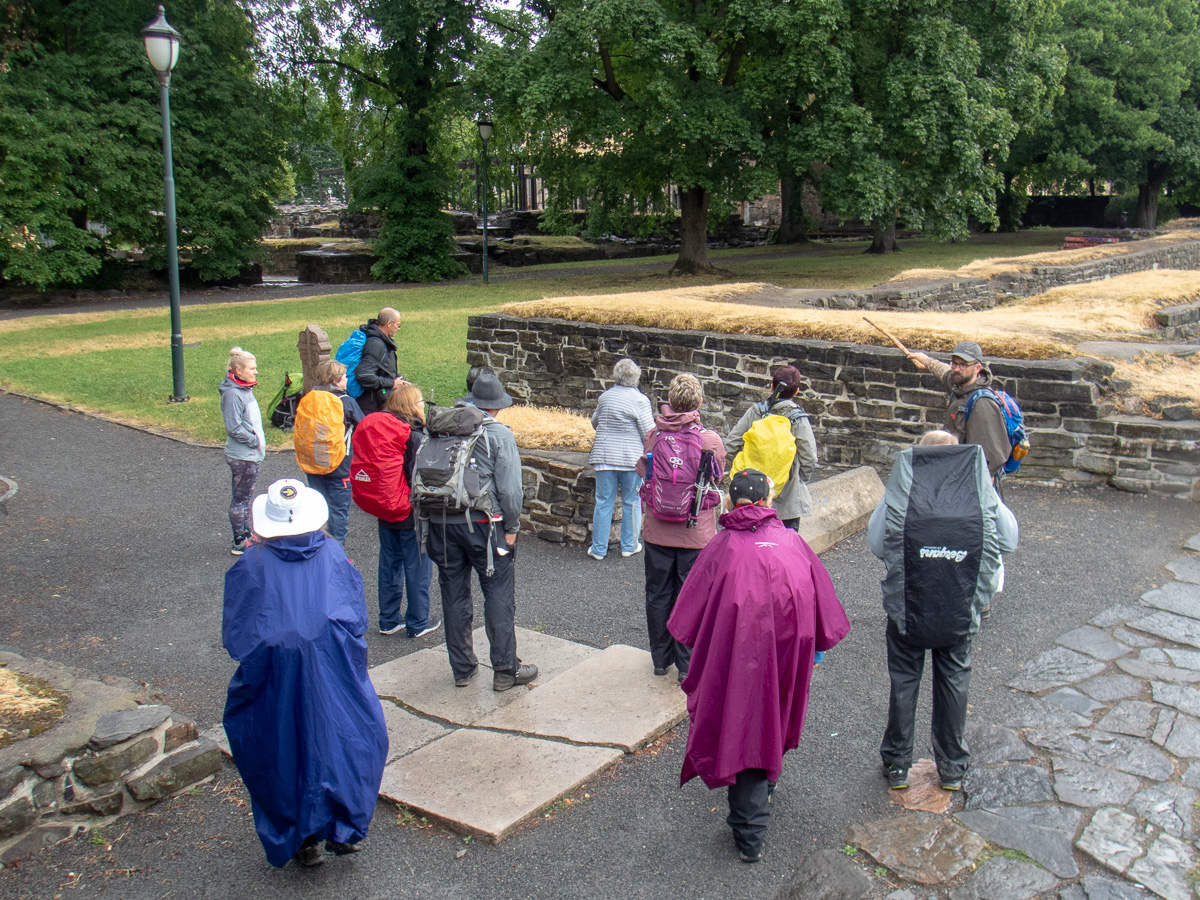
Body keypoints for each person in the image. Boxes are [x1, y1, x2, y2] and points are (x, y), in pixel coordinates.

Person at [668, 469, 850, 863]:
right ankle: (761, 793)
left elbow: (686, 621)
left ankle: (750, 830)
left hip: (737, 657)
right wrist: (815, 651)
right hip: (788, 654)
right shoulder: (793, 542)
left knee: (743, 724)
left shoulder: (722, 546)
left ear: (733, 503)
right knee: (770, 718)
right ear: (768, 502)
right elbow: (822, 605)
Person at [222, 479, 388, 869]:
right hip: (333, 668)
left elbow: (236, 632)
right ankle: (342, 825)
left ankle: (302, 838)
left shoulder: (251, 563)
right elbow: (355, 614)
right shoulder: (331, 552)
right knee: (344, 741)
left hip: (272, 673)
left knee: (280, 749)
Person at [868, 432, 1019, 793]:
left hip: (910, 602)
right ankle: (951, 768)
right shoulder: (977, 490)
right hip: (960, 602)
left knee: (904, 681)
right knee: (954, 681)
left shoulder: (903, 490)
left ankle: (898, 764)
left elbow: (877, 543)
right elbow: (1009, 541)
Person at [424, 373, 537, 692]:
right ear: (497, 406)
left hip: (441, 522)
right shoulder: (498, 434)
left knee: (453, 594)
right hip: (485, 528)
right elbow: (512, 492)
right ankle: (505, 670)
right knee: (498, 594)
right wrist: (512, 528)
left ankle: (462, 668)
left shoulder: (442, 425)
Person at [636, 373, 726, 682]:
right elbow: (717, 477)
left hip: (657, 530)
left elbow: (643, 471)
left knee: (657, 593)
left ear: (670, 402)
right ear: (699, 402)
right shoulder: (710, 440)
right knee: (691, 598)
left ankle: (661, 660)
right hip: (695, 533)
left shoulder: (654, 435)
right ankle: (687, 665)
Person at [377, 383, 439, 638]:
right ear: (411, 406)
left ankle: (388, 620)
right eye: (421, 401)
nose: (424, 405)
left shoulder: (383, 430)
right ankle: (418, 621)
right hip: (410, 512)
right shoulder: (413, 435)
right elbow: (420, 477)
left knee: (389, 565)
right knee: (417, 567)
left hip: (385, 508)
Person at [725, 365, 819, 531]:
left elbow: (731, 444)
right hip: (785, 500)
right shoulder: (798, 419)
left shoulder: (756, 412)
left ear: (772, 386)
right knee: (784, 550)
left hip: (751, 498)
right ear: (796, 391)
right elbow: (809, 457)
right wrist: (797, 480)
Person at [905, 341, 1010, 488]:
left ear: (977, 368)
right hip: (954, 475)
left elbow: (991, 458)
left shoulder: (982, 404)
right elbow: (944, 372)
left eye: (963, 365)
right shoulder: (960, 386)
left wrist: (977, 493)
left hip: (972, 485)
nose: (956, 369)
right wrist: (925, 359)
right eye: (954, 363)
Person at [587, 358, 654, 560]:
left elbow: (595, 422)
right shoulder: (640, 400)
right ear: (636, 376)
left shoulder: (605, 397)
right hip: (630, 460)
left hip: (605, 457)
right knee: (631, 501)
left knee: (603, 501)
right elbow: (648, 431)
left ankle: (598, 549)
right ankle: (629, 545)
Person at [296, 359, 363, 548]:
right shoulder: (346, 402)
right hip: (339, 466)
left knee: (317, 508)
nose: (347, 380)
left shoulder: (309, 398)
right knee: (338, 512)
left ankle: (315, 548)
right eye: (344, 377)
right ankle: (336, 552)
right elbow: (363, 426)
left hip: (313, 463)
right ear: (335, 381)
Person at [220, 347, 266, 555]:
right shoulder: (233, 395)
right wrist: (254, 441)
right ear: (238, 371)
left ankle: (247, 534)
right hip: (243, 455)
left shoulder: (245, 391)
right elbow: (234, 427)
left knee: (246, 497)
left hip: (250, 454)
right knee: (241, 498)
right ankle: (239, 540)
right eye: (252, 368)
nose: (255, 372)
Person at [354, 307, 402, 413]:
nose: (398, 328)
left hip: (376, 402)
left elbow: (381, 367)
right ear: (389, 323)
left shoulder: (381, 340)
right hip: (371, 406)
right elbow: (364, 376)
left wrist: (397, 378)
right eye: (398, 325)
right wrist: (392, 383)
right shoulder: (376, 344)